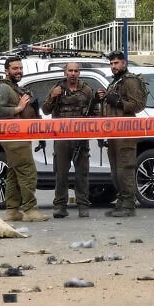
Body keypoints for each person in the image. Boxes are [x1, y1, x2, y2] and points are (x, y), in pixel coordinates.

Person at [0, 56, 48, 222]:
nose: (19, 71)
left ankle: (12, 210)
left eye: (20, 68)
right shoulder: (2, 88)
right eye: (15, 68)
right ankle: (30, 210)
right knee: (27, 172)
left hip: (20, 136)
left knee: (14, 174)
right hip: (13, 138)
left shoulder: (14, 88)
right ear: (7, 70)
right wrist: (20, 108)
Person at [43, 62, 97, 218]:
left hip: (81, 138)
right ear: (65, 72)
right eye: (70, 71)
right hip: (62, 138)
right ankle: (60, 206)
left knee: (82, 173)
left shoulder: (86, 90)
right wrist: (53, 96)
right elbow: (46, 110)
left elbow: (94, 113)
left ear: (79, 73)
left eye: (76, 71)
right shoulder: (57, 88)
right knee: (61, 173)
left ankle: (83, 205)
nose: (73, 73)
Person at [98, 51, 146, 218]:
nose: (113, 66)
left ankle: (128, 204)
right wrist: (105, 98)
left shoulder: (130, 81)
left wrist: (118, 102)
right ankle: (121, 201)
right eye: (111, 64)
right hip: (113, 132)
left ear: (124, 63)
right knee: (115, 171)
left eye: (116, 63)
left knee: (125, 168)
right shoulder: (116, 82)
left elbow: (138, 105)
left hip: (125, 131)